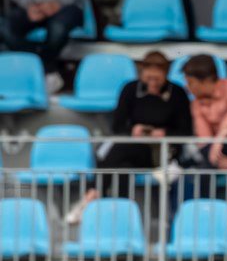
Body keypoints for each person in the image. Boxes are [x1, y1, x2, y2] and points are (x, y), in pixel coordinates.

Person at [67, 51, 192, 225]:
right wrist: (135, 130)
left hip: (162, 152)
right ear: (141, 74)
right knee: (122, 167)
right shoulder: (130, 89)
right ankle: (120, 220)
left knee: (115, 150)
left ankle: (90, 196)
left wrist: (163, 133)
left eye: (157, 79)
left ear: (166, 74)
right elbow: (118, 126)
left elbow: (186, 131)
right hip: (133, 150)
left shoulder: (177, 94)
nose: (153, 84)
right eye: (149, 79)